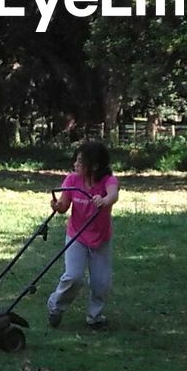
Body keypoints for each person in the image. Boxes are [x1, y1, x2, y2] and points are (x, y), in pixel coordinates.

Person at [47, 140, 119, 330]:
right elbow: (63, 206)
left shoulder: (107, 180)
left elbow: (113, 195)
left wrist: (104, 200)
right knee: (73, 276)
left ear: (94, 166)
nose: (75, 165)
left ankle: (94, 317)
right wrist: (57, 206)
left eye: (80, 161)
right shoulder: (71, 180)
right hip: (76, 236)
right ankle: (55, 305)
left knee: (101, 282)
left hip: (101, 238)